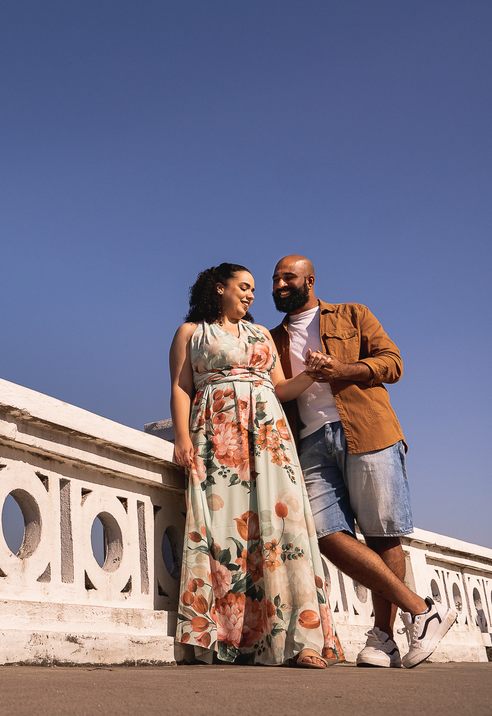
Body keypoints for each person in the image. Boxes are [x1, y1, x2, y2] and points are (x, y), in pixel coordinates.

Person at [270, 254, 456, 668]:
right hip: (309, 442)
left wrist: (342, 369)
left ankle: (383, 639)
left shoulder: (353, 315)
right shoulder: (271, 337)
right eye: (275, 279)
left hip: (368, 429)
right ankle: (422, 609)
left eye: (288, 278)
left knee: (382, 534)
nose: (279, 285)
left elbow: (393, 363)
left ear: (310, 280)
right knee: (323, 532)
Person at [169, 263, 343, 668]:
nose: (251, 294)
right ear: (220, 288)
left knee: (284, 526)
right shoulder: (191, 333)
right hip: (217, 437)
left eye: (252, 289)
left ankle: (301, 641)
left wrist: (312, 374)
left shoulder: (261, 334)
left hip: (269, 438)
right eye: (243, 287)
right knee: (224, 529)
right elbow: (181, 387)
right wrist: (181, 438)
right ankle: (232, 637)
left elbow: (281, 388)